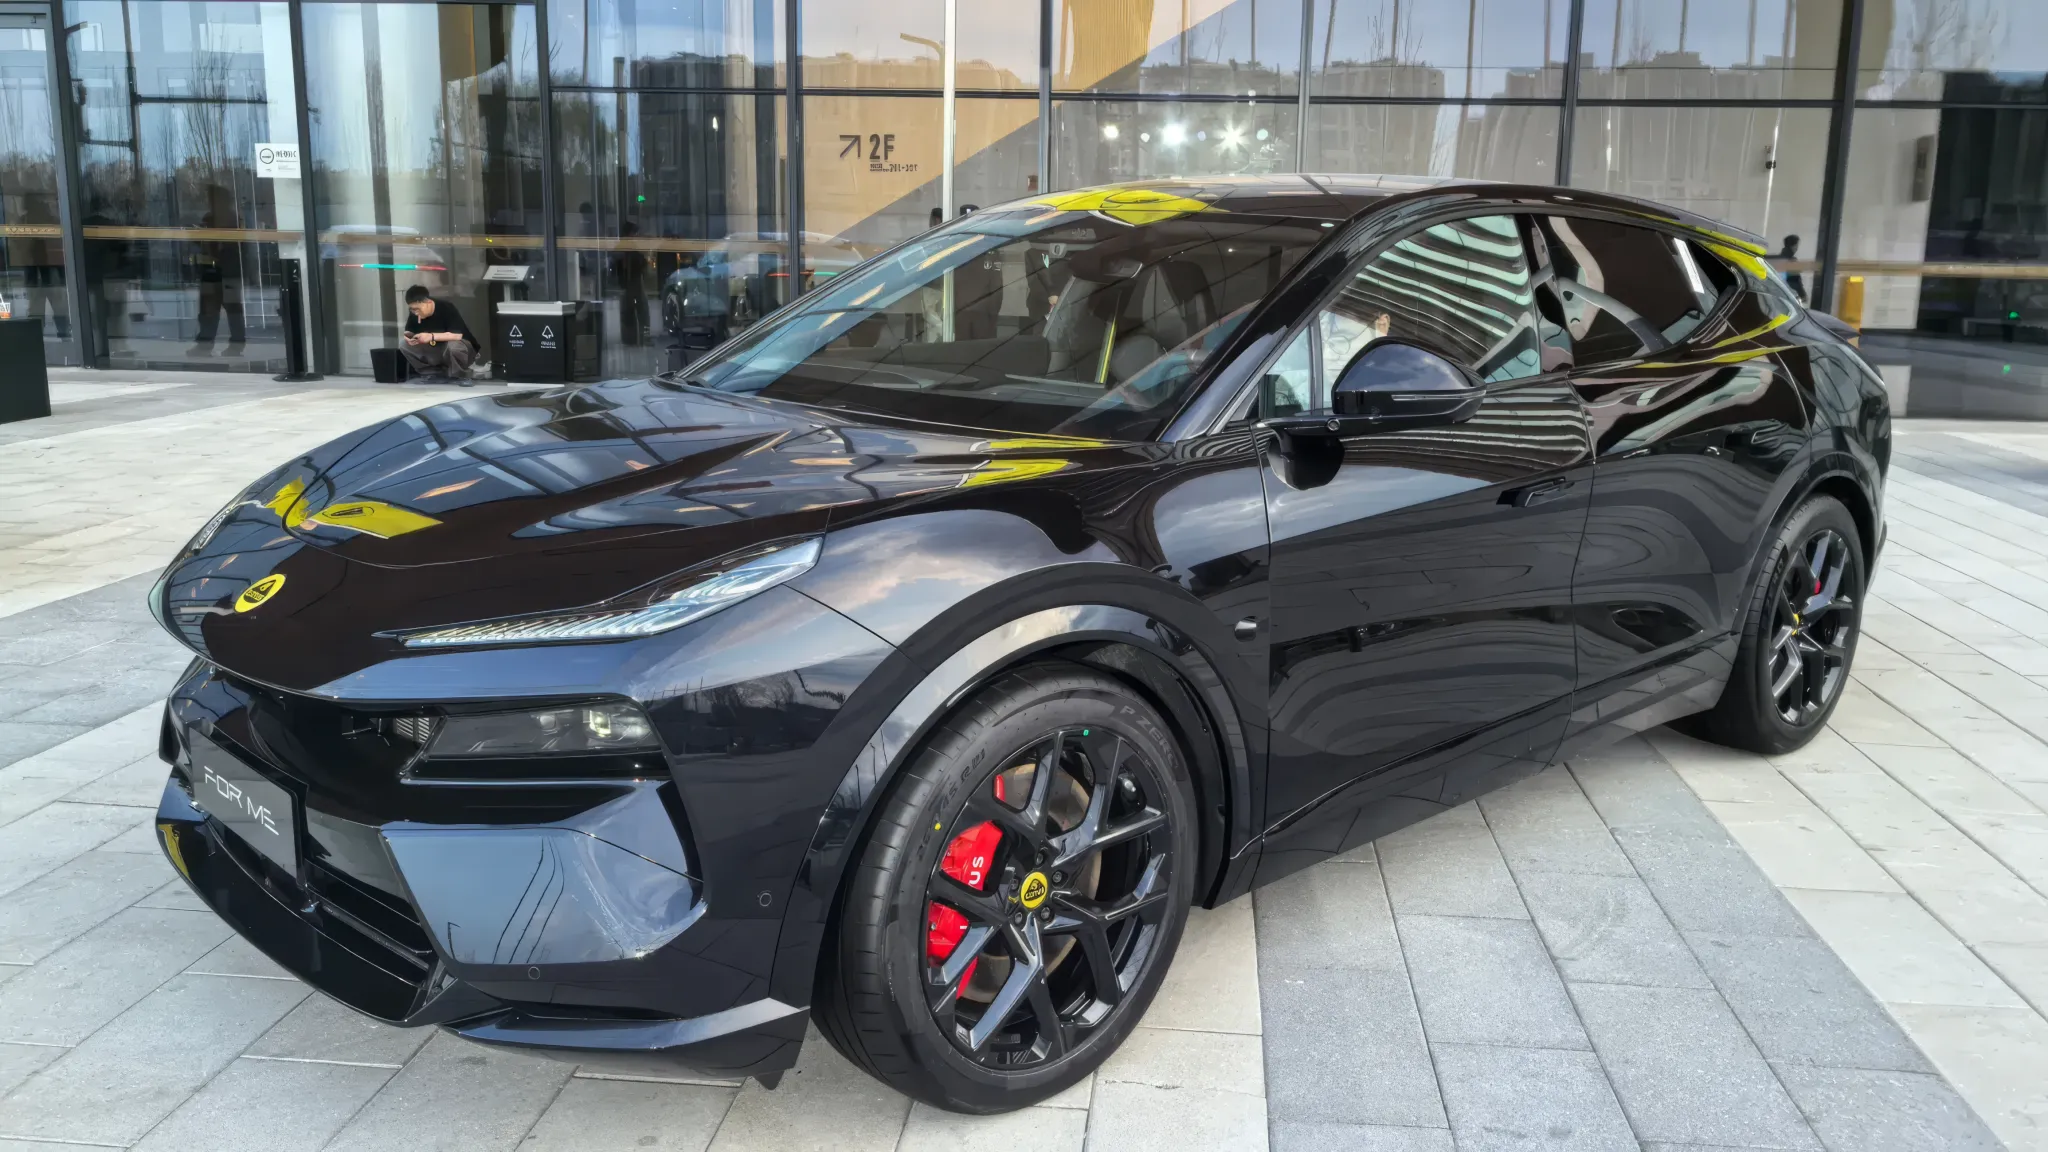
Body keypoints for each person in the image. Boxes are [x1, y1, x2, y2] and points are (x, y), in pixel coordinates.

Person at [399, 284, 478, 384]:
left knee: (454, 345)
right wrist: (409, 337)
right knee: (404, 344)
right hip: (436, 349)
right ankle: (432, 374)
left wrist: (431, 336)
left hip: (461, 349)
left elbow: (457, 335)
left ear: (428, 302)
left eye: (417, 309)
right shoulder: (414, 313)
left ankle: (461, 375)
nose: (415, 312)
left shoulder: (446, 307)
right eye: (412, 309)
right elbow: (409, 331)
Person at [1776, 235, 1807, 302]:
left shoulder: (1779, 258)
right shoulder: (1792, 261)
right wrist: (1803, 295)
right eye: (1796, 245)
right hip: (1788, 295)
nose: (1797, 248)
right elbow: (1795, 281)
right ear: (1793, 246)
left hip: (1778, 293)